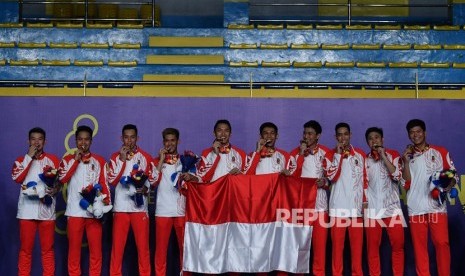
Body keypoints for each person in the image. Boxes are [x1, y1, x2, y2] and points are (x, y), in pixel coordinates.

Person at [401, 119, 457, 276]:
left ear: (424, 133)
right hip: (416, 209)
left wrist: (448, 185)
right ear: (408, 135)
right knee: (420, 249)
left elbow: (452, 174)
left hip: (436, 207)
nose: (415, 135)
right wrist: (405, 162)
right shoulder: (406, 156)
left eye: (418, 131)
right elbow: (405, 184)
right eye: (412, 132)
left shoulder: (440, 151)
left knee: (442, 244)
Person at [58, 125, 111, 276]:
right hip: (74, 213)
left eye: (86, 139)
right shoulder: (67, 159)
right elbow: (62, 178)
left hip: (93, 214)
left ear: (91, 141)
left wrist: (104, 206)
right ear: (75, 140)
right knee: (74, 253)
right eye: (80, 139)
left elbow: (105, 184)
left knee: (96, 252)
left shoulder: (99, 160)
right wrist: (75, 160)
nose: (83, 142)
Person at [244, 122, 296, 276]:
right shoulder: (251, 156)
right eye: (265, 133)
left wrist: (289, 177)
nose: (269, 136)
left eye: (272, 133)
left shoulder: (286, 157)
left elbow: (295, 183)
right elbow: (246, 176)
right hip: (259, 210)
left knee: (281, 248)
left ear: (277, 136)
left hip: (280, 209)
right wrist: (257, 153)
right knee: (261, 249)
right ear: (260, 137)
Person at [12, 127, 60, 276]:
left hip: (47, 211)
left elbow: (60, 182)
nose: (36, 142)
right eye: (33, 139)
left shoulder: (53, 159)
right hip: (27, 212)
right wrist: (29, 156)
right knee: (26, 251)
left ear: (45, 142)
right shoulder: (20, 160)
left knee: (47, 250)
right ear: (28, 141)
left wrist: (56, 189)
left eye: (40, 139)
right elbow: (17, 178)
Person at [107, 124, 151, 276]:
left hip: (140, 209)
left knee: (143, 250)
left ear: (137, 138)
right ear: (121, 138)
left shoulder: (145, 157)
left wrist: (146, 189)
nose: (129, 141)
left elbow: (150, 181)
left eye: (132, 137)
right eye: (126, 137)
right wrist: (122, 160)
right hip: (121, 209)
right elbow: (112, 181)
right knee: (117, 250)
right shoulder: (115, 157)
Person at [324, 122, 367, 276]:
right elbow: (332, 177)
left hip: (356, 211)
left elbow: (365, 180)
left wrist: (364, 202)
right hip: (337, 209)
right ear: (336, 137)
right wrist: (338, 155)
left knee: (357, 251)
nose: (343, 137)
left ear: (350, 135)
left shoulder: (360, 154)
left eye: (345, 134)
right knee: (337, 251)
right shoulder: (329, 155)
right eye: (340, 135)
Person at [151, 128, 194, 276]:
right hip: (162, 212)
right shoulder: (156, 161)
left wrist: (189, 178)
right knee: (161, 251)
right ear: (163, 142)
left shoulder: (186, 160)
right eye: (167, 141)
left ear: (178, 141)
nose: (169, 143)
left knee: (185, 249)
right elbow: (152, 183)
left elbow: (195, 183)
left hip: (181, 211)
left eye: (172, 140)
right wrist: (161, 161)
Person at [290, 120, 330, 276]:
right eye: (304, 133)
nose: (306, 136)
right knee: (300, 249)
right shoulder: (294, 153)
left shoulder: (327, 153)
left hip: (320, 207)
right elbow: (292, 178)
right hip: (301, 207)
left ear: (318, 136)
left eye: (310, 133)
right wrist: (301, 154)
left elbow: (332, 178)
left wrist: (324, 182)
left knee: (320, 249)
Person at [364, 127, 405, 276]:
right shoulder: (364, 160)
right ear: (367, 142)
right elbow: (363, 184)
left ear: (382, 140)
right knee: (372, 249)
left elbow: (396, 175)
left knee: (398, 246)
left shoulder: (393, 155)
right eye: (370, 138)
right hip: (372, 211)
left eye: (376, 137)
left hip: (392, 209)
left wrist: (383, 156)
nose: (374, 140)